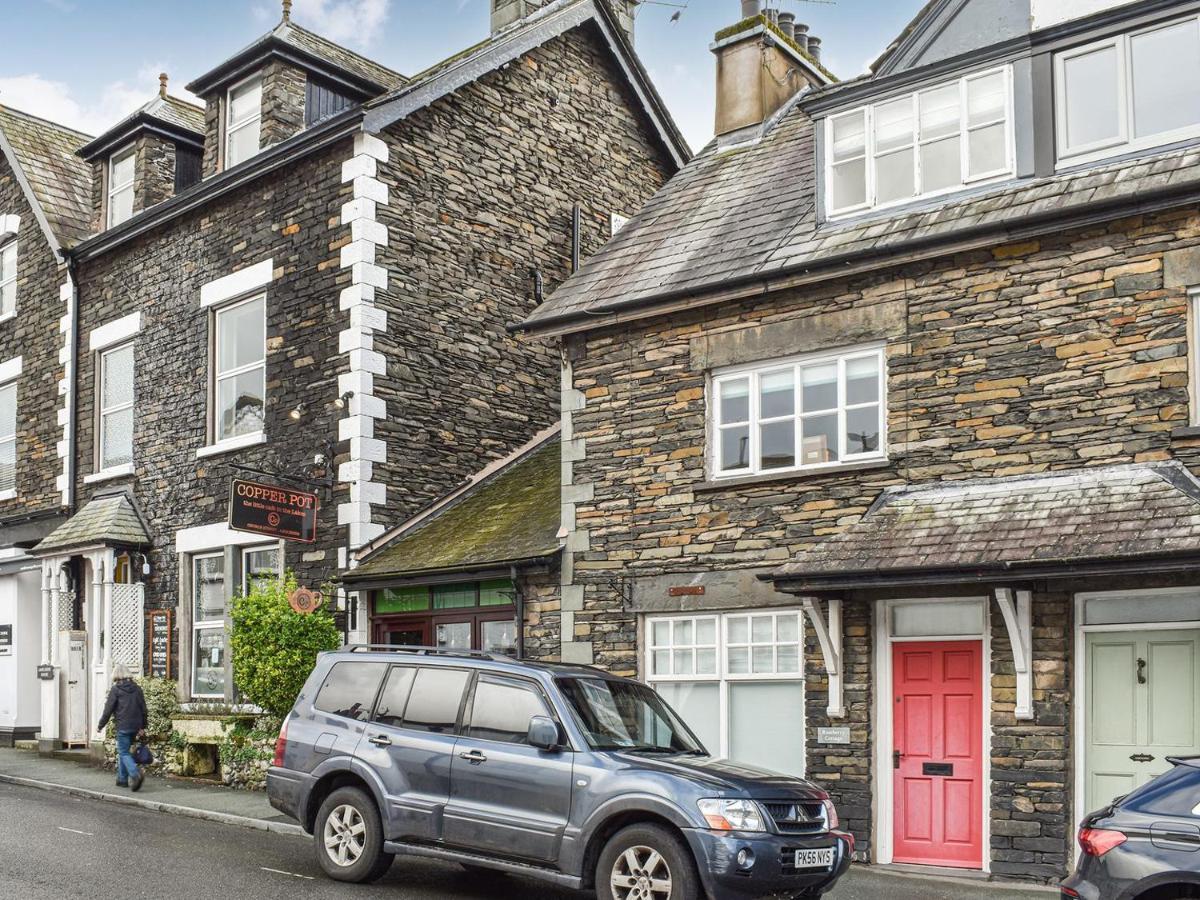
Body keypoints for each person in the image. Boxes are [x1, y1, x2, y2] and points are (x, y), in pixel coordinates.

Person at [98, 664, 148, 791]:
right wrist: (142, 727)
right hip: (135, 727)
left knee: (124, 752)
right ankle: (122, 779)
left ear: (116, 675)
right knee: (124, 752)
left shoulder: (116, 689)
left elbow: (108, 710)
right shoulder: (137, 688)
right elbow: (144, 709)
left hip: (123, 726)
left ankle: (135, 774)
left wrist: (100, 725)